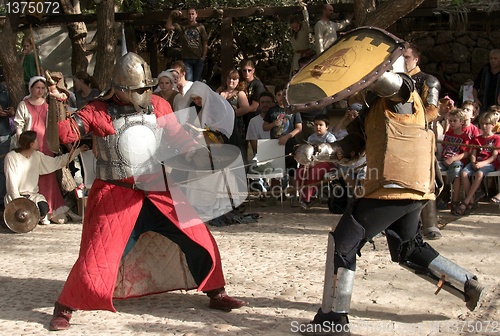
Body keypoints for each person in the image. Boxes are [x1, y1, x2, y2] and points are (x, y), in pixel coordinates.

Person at [48, 53, 247, 331]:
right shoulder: (98, 110)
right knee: (98, 257)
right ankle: (65, 306)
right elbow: (62, 135)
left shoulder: (159, 105)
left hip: (158, 190)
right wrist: (55, 103)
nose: (143, 93)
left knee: (198, 237)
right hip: (117, 196)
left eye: (146, 87)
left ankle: (216, 292)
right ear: (119, 87)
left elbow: (179, 140)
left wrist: (201, 154)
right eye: (137, 89)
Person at [294, 48, 484, 335]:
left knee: (343, 242)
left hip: (394, 185)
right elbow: (351, 147)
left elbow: (395, 85)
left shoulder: (403, 96)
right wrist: (320, 152)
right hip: (408, 188)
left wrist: (365, 70)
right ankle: (467, 282)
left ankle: (334, 319)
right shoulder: (372, 111)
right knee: (407, 248)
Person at [14, 76, 69, 224]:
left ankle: (51, 210)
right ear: (31, 88)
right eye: (37, 88)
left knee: (48, 175)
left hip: (46, 143)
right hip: (30, 145)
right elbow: (19, 125)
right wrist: (23, 142)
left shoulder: (48, 104)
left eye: (42, 88)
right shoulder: (24, 104)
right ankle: (36, 210)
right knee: (33, 176)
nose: (40, 91)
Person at [404, 44, 442, 240]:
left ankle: (430, 224)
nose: (404, 61)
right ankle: (404, 224)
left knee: (426, 180)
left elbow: (432, 110)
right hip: (399, 137)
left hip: (422, 136)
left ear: (416, 59)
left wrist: (411, 124)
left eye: (407, 57)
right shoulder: (395, 81)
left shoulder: (428, 81)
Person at [4, 131, 85, 223]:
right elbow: (11, 182)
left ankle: (36, 218)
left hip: (32, 196)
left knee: (43, 208)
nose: (39, 142)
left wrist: (77, 151)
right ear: (31, 144)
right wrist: (18, 202)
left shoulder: (37, 156)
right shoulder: (12, 157)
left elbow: (57, 162)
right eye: (37, 140)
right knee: (20, 215)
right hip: (16, 197)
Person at [453, 111, 500, 215]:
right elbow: (473, 153)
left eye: (487, 124)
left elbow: (494, 156)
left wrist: (482, 164)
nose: (484, 126)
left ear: (493, 125)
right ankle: (473, 200)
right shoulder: (477, 139)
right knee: (464, 173)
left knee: (479, 174)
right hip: (477, 162)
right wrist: (473, 162)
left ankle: (466, 201)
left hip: (489, 163)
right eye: (482, 124)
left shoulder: (496, 139)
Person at [263, 84, 302, 193]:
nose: (281, 97)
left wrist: (287, 137)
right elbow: (265, 127)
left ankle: (293, 195)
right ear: (275, 97)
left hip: (290, 144)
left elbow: (299, 127)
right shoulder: (272, 110)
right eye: (279, 95)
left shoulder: (293, 109)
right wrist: (273, 124)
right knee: (274, 172)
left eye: (284, 95)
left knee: (292, 171)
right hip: (275, 144)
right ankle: (275, 195)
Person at [296, 114, 336, 210]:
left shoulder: (330, 138)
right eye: (316, 124)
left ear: (327, 127)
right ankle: (302, 196)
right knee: (300, 171)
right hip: (312, 162)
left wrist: (315, 163)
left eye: (321, 125)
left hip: (328, 162)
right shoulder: (311, 138)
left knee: (315, 173)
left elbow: (330, 155)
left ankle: (309, 197)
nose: (318, 127)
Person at [437, 108, 470, 210]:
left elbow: (466, 153)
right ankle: (437, 196)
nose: (452, 123)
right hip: (444, 160)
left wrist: (453, 159)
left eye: (454, 121)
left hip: (456, 161)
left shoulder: (465, 136)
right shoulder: (448, 134)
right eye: (450, 121)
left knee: (456, 172)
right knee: (433, 168)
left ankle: (455, 200)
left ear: (461, 122)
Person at [166, 8, 208, 82]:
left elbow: (205, 43)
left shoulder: (200, 27)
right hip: (187, 59)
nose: (191, 16)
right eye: (189, 14)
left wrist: (203, 57)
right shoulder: (182, 26)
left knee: (197, 82)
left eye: (192, 14)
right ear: (186, 15)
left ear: (196, 15)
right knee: (189, 81)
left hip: (198, 58)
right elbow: (168, 27)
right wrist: (171, 16)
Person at [217, 69, 250, 142]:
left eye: (234, 79)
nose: (231, 81)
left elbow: (246, 109)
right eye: (229, 78)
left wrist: (231, 113)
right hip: (221, 127)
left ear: (238, 80)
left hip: (236, 127)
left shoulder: (240, 94)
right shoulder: (219, 92)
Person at [240, 59, 267, 131]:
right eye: (244, 70)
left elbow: (254, 107)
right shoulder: (239, 82)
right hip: (243, 118)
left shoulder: (258, 85)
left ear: (253, 70)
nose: (247, 73)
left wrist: (237, 112)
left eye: (249, 70)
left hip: (255, 117)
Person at [0, 78, 14, 212]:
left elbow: (13, 106)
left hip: (3, 132)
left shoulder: (5, 89)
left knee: (2, 168)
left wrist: (11, 111)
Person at [473, 49, 500, 114]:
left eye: (495, 58)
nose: (492, 61)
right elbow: (475, 87)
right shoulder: (484, 71)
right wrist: (476, 99)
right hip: (484, 105)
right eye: (491, 58)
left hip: (498, 108)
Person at [246, 92, 273, 156]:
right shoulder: (253, 121)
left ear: (273, 103)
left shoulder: (278, 120)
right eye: (262, 102)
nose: (265, 104)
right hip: (261, 156)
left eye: (268, 102)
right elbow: (254, 147)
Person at [289, 4, 313, 76]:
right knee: (295, 73)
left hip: (305, 55)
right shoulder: (292, 33)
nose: (294, 29)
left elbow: (306, 20)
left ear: (299, 24)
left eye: (296, 27)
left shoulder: (304, 30)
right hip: (297, 56)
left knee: (306, 72)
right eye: (293, 28)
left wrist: (304, 10)